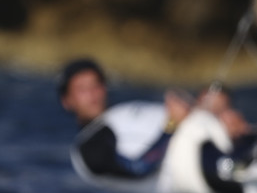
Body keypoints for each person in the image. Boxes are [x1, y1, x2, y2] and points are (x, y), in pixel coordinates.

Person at [58, 57, 192, 180]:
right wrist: (172, 125)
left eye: (96, 85)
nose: (92, 93)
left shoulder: (120, 113)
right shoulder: (90, 146)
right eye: (82, 89)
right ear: (67, 101)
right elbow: (137, 168)